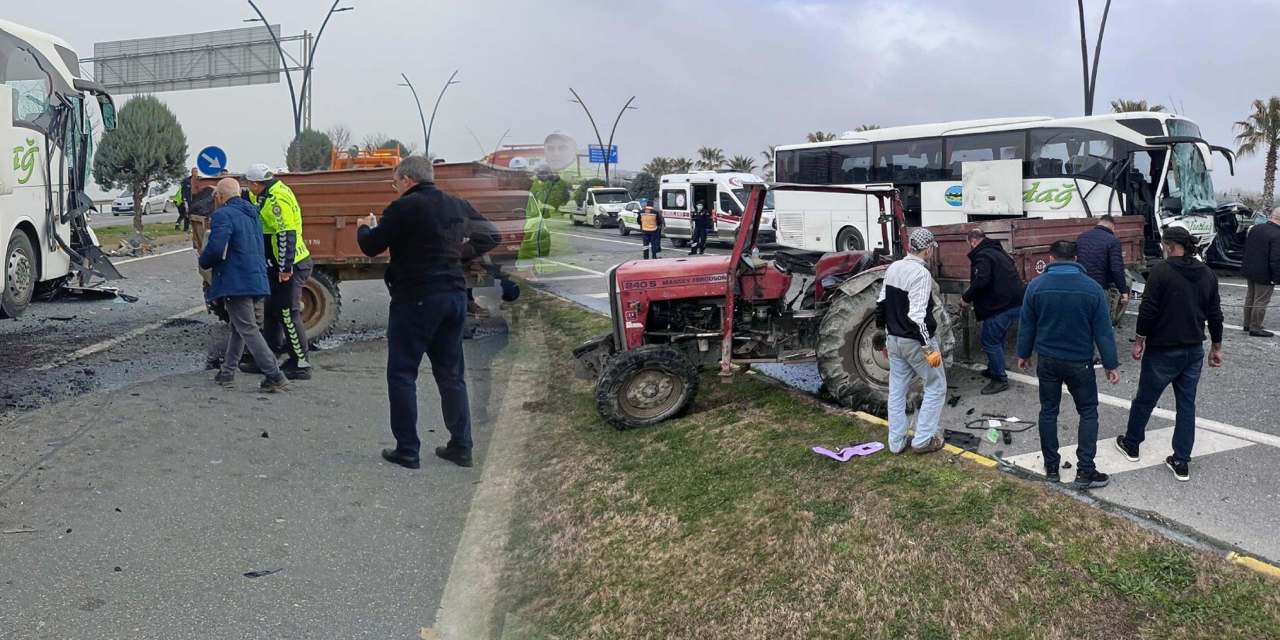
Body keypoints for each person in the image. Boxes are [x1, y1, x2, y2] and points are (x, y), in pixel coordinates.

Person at [356, 156, 501, 470]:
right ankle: (461, 446)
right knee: (451, 374)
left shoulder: (403, 208)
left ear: (407, 180)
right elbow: (492, 235)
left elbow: (371, 247)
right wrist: (457, 254)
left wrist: (364, 227)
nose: (395, 187)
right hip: (453, 297)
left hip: (415, 298)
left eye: (395, 182)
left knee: (402, 373)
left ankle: (407, 450)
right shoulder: (456, 204)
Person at [1115, 227, 1224, 482]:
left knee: (1145, 399)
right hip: (1193, 349)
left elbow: (1148, 310)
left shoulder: (1161, 271)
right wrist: (1217, 347)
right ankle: (1181, 460)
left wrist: (1139, 340)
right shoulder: (1207, 274)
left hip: (1163, 348)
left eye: (1164, 246)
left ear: (1170, 246)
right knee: (1186, 405)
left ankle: (1132, 444)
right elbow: (1215, 314)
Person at [1016, 240, 1119, 489]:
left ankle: (1051, 468)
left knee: (1048, 411)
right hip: (1080, 362)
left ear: (1051, 258)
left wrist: (1023, 353)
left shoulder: (1036, 286)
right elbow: (1103, 331)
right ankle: (1085, 471)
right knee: (1088, 412)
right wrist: (1110, 364)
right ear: (1075, 259)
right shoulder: (1092, 288)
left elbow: (1027, 323)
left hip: (1048, 360)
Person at [198, 178, 288, 392]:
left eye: (216, 196)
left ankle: (275, 375)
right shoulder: (253, 213)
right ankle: (227, 372)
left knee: (247, 329)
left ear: (220, 196)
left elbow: (216, 248)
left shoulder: (223, 215)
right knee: (240, 327)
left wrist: (204, 261)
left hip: (236, 280)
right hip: (256, 278)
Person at [876, 228, 946, 455]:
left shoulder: (894, 267)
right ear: (927, 250)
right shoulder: (921, 274)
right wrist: (929, 348)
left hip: (894, 340)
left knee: (897, 390)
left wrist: (883, 334)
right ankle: (922, 440)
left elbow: (881, 303)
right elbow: (917, 317)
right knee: (936, 385)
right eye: (931, 249)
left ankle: (896, 442)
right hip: (916, 342)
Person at [244, 163, 313, 379]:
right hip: (276, 264)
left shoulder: (277, 200)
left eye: (249, 184)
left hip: (292, 265)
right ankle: (268, 359)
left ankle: (301, 364)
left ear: (257, 184)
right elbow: (251, 200)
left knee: (288, 313)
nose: (248, 188)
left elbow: (286, 234)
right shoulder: (267, 191)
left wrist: (285, 267)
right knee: (271, 311)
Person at [960, 228, 1023, 395]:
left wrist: (966, 298)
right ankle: (993, 367)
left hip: (1000, 305)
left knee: (989, 341)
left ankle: (999, 379)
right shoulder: (998, 251)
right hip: (1015, 302)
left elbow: (981, 280)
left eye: (970, 244)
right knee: (997, 337)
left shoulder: (982, 255)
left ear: (973, 241)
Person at [1076, 214, 1128, 326]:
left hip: (1081, 286)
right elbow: (1116, 269)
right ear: (1112, 226)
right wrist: (1123, 291)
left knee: (1083, 321)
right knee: (1102, 322)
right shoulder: (1113, 241)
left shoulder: (1081, 237)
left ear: (1099, 223)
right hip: (1100, 288)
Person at [1241, 206, 1280, 337]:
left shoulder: (1256, 228)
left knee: (1250, 297)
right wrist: (1276, 277)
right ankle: (1255, 327)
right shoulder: (1277, 234)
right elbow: (1276, 259)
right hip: (1265, 273)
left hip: (1251, 270)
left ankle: (1247, 324)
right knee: (1261, 300)